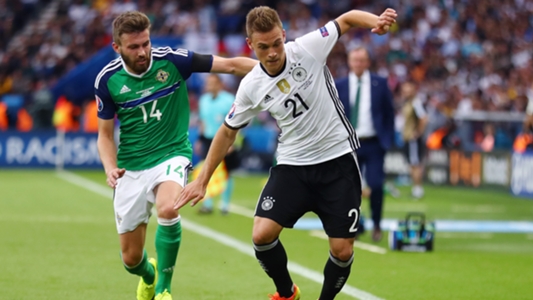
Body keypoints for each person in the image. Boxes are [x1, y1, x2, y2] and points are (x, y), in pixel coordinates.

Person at [176, 6, 397, 300]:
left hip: (338, 160)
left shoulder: (307, 48)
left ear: (283, 35)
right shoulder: (251, 85)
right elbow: (228, 131)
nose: (271, 53)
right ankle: (287, 293)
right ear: (250, 44)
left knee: (342, 250)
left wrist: (377, 22)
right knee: (261, 235)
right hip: (293, 165)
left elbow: (346, 19)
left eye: (276, 43)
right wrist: (203, 180)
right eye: (263, 47)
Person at [95, 11, 256, 300]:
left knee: (169, 208)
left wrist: (275, 69)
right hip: (131, 166)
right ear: (117, 48)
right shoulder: (107, 81)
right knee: (131, 259)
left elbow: (231, 66)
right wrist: (109, 166)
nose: (143, 51)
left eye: (146, 43)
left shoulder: (173, 60)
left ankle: (163, 290)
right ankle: (148, 275)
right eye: (134, 47)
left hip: (171, 153)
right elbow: (105, 136)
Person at [335, 47, 395, 242]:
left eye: (362, 60)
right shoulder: (340, 85)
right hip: (349, 144)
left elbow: (389, 113)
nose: (358, 64)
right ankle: (356, 225)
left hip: (374, 143)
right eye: (355, 60)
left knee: (376, 184)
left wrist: (387, 139)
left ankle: (377, 224)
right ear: (349, 62)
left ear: (368, 62)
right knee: (351, 187)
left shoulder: (380, 83)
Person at [195, 74, 240, 215]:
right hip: (208, 139)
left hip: (224, 140)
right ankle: (207, 204)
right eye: (208, 83)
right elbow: (202, 121)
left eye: (213, 83)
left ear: (220, 84)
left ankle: (225, 205)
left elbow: (237, 121)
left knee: (226, 172)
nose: (210, 86)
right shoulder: (203, 100)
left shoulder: (229, 100)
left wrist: (231, 142)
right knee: (206, 171)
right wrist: (199, 140)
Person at [400, 81, 427, 199]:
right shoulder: (409, 103)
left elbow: (424, 118)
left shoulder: (416, 103)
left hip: (412, 139)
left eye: (408, 91)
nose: (406, 93)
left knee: (415, 163)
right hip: (408, 138)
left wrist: (418, 132)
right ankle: (416, 188)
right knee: (412, 163)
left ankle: (418, 189)